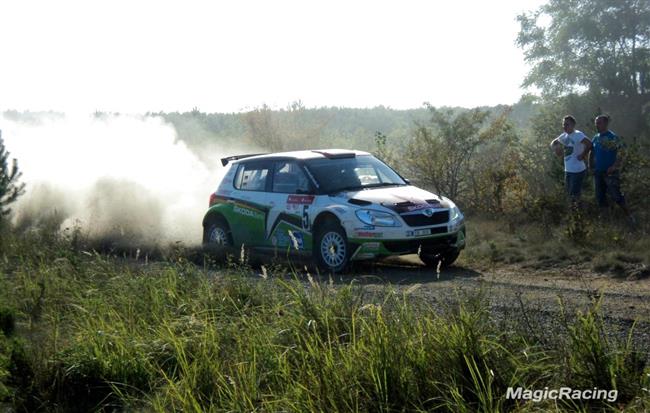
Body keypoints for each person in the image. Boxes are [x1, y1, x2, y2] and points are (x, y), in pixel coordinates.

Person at [590, 115, 633, 221]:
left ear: (605, 123)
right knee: (600, 197)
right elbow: (591, 152)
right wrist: (590, 166)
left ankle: (630, 217)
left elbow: (622, 152)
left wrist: (614, 166)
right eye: (596, 122)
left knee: (617, 196)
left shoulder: (612, 137)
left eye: (599, 122)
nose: (596, 124)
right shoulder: (596, 137)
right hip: (598, 172)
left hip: (610, 173)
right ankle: (606, 220)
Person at [550, 115, 592, 205]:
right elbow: (554, 142)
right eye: (563, 124)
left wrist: (583, 154)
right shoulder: (564, 136)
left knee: (574, 194)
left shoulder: (578, 134)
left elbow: (589, 144)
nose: (564, 126)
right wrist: (556, 149)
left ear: (573, 125)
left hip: (578, 170)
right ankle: (576, 213)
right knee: (569, 194)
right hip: (568, 170)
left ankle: (579, 214)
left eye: (567, 124)